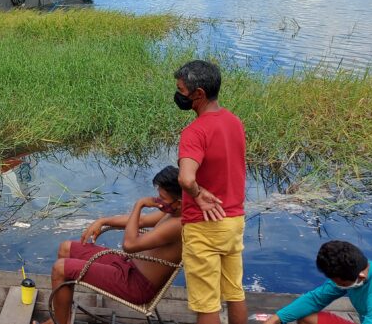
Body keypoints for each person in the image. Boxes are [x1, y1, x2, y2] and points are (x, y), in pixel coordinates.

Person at [38, 165, 185, 324]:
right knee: (66, 248)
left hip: (135, 285)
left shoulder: (178, 224)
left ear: (178, 202)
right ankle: (60, 318)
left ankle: (58, 323)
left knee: (60, 268)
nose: (158, 201)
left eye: (162, 198)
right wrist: (103, 221)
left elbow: (129, 245)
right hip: (128, 265)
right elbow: (141, 221)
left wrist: (139, 204)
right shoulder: (172, 212)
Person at [174, 60, 248, 324]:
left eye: (181, 90)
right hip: (234, 221)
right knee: (235, 292)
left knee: (207, 303)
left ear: (199, 94)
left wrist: (197, 194)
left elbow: (186, 178)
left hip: (204, 224)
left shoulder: (194, 132)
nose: (178, 95)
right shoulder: (234, 122)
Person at [265, 241, 372, 324]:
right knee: (306, 318)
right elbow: (315, 299)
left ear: (361, 277)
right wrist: (276, 319)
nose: (337, 286)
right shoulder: (352, 268)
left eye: (342, 284)